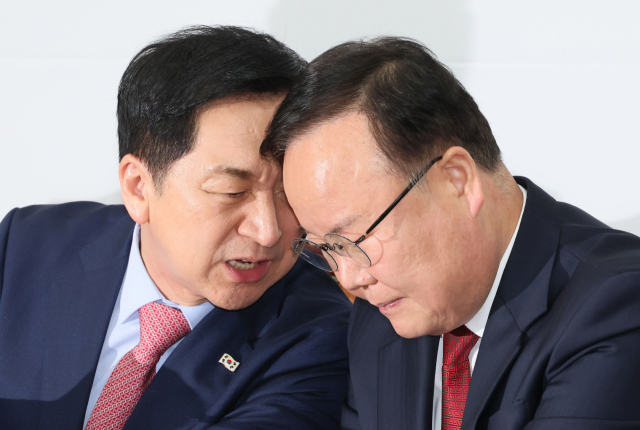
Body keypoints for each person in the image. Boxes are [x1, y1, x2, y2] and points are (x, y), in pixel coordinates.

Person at [260, 37, 640, 430]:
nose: (350, 279)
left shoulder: (616, 304)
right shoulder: (376, 324)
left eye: (354, 239)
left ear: (457, 181)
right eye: (328, 248)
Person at [0, 26, 351, 430]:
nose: (268, 231)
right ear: (138, 187)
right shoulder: (26, 246)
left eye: (289, 192)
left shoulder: (319, 337)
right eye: (232, 191)